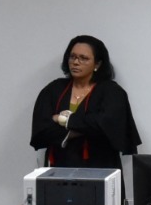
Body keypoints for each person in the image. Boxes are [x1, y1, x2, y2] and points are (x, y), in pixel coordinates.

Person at [29, 34, 141, 170]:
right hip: (59, 166)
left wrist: (62, 119)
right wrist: (83, 127)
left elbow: (106, 126)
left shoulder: (112, 91)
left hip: (101, 167)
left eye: (84, 58)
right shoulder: (54, 89)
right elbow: (41, 129)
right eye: (73, 57)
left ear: (97, 64)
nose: (76, 62)